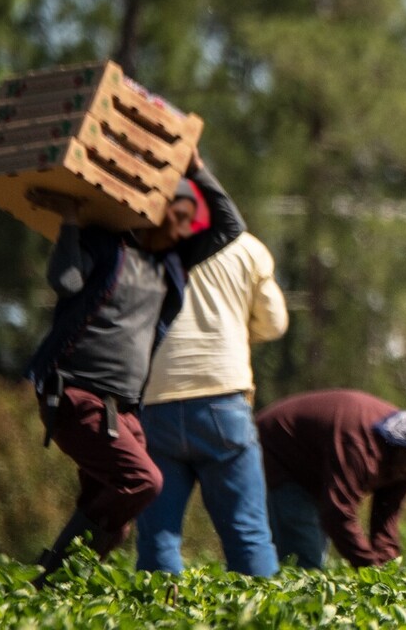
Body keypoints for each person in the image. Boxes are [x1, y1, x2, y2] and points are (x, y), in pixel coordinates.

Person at [24, 151, 244, 588]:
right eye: (176, 217)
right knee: (142, 482)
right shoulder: (106, 246)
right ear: (150, 212)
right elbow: (65, 283)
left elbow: (230, 226)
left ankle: (51, 592)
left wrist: (198, 167)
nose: (183, 229)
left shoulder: (172, 266)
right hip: (75, 396)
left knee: (114, 518)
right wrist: (70, 220)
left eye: (188, 223)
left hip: (123, 411)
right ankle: (52, 580)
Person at [134, 219, 289, 577]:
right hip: (222, 399)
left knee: (159, 536)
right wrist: (235, 330)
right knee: (247, 534)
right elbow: (275, 323)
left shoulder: (144, 243)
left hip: (156, 399)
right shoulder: (246, 247)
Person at [254, 389, 406, 569]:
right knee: (305, 559)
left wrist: (388, 573)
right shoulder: (360, 444)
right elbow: (337, 513)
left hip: (316, 475)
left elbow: (385, 520)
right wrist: (369, 568)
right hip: (277, 454)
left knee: (313, 554)